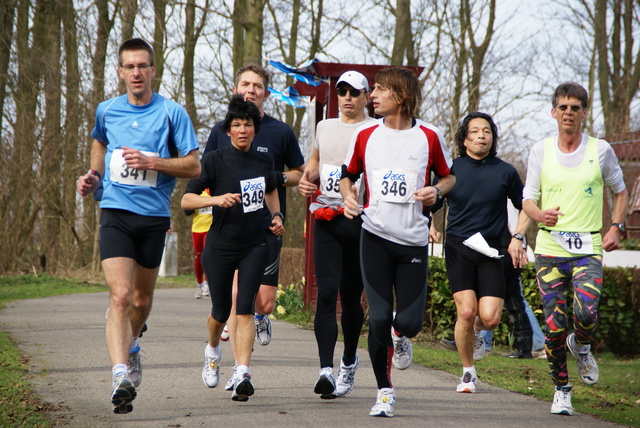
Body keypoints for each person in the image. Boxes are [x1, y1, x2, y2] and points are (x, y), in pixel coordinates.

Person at [76, 38, 201, 414]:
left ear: (153, 70)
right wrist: (94, 176)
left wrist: (153, 162)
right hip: (114, 212)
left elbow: (194, 166)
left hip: (153, 217)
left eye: (142, 66)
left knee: (142, 301)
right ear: (120, 71)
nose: (136, 73)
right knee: (120, 296)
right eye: (129, 66)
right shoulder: (107, 110)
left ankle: (132, 346)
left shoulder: (171, 113)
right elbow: (99, 140)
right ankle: (119, 375)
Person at [340, 67, 455, 417]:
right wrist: (347, 197)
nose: (371, 95)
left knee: (408, 323)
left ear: (401, 97)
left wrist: (436, 189)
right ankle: (384, 391)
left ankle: (401, 335)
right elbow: (348, 177)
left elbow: (449, 176)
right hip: (374, 236)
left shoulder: (430, 137)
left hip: (413, 243)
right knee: (376, 320)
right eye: (372, 90)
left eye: (379, 90)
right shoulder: (364, 136)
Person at [522, 82, 628, 416]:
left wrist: (616, 226)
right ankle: (561, 389)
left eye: (576, 107)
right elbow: (528, 198)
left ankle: (580, 345)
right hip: (550, 248)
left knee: (586, 313)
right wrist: (537, 215)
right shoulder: (541, 150)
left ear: (584, 113)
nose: (569, 112)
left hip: (587, 248)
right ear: (554, 112)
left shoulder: (601, 150)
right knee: (554, 325)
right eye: (563, 107)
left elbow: (620, 191)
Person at [203, 63, 304, 388]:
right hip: (229, 230)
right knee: (236, 298)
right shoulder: (221, 130)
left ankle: (261, 318)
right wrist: (218, 200)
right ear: (236, 89)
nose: (251, 89)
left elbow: (300, 174)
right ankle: (239, 370)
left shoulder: (280, 132)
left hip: (266, 228)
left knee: (265, 302)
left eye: (257, 85)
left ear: (265, 92)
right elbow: (205, 175)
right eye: (245, 84)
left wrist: (274, 179)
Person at [181, 95, 285, 401]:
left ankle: (242, 372)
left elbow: (272, 190)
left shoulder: (265, 161)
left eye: (248, 124)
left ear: (255, 129)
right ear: (228, 130)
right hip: (221, 245)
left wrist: (276, 215)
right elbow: (187, 201)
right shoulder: (213, 160)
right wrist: (215, 199)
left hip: (254, 244)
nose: (243, 130)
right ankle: (213, 350)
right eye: (237, 125)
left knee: (245, 309)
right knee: (220, 309)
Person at [433, 112, 528, 394]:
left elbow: (526, 206)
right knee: (466, 310)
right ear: (464, 140)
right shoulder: (451, 170)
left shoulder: (505, 172)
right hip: (459, 247)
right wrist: (428, 225)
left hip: (492, 250)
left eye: (486, 131)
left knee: (489, 318)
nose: (481, 135)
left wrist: (518, 237)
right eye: (474, 131)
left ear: (492, 138)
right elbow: (432, 204)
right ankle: (467, 372)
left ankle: (476, 333)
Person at [299, 71, 374, 399]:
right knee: (327, 293)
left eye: (354, 92)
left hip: (359, 221)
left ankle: (348, 360)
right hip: (327, 217)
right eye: (341, 91)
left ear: (366, 97)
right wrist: (308, 175)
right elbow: (316, 159)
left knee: (352, 298)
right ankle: (325, 370)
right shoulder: (324, 126)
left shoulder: (375, 130)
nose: (346, 97)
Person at [186, 189, 212, 299]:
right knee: (199, 257)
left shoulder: (217, 192)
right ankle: (199, 284)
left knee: (208, 256)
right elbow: (187, 212)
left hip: (210, 229)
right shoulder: (199, 193)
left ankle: (207, 283)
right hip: (197, 229)